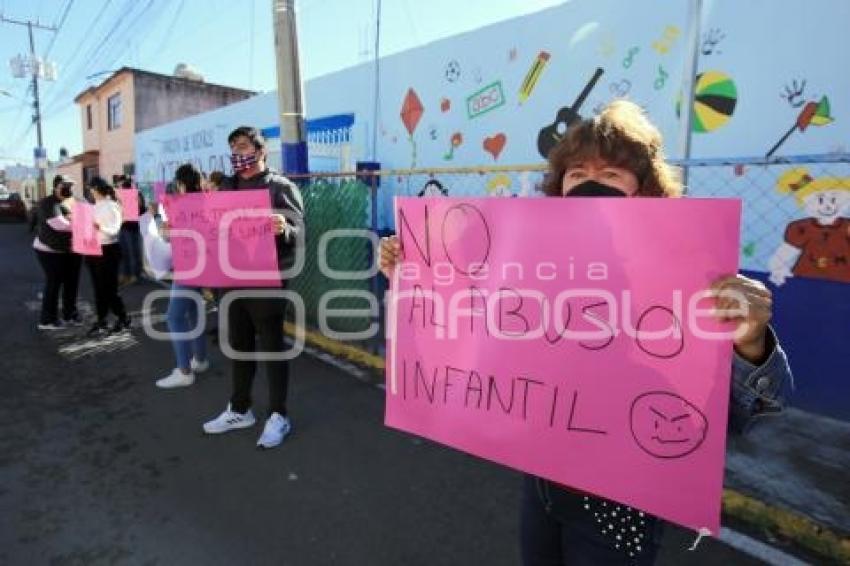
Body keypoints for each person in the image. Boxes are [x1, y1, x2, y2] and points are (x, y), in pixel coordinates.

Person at [378, 100, 793, 565]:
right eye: (577, 173)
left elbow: (755, 410)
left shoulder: (689, 280)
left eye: (612, 175)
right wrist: (416, 275)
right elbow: (474, 320)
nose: (591, 185)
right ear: (559, 187)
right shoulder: (530, 268)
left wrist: (750, 341)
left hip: (622, 498)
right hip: (542, 482)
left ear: (646, 191)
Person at [201, 126, 305, 450]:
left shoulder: (280, 187)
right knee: (239, 346)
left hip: (266, 283)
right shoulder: (225, 187)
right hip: (232, 282)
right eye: (233, 147)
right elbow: (209, 225)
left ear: (261, 151)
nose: (237, 153)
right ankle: (240, 408)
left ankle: (278, 415)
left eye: (243, 146)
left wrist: (284, 228)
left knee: (273, 348)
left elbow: (300, 235)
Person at [140, 164, 212, 389]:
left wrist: (157, 218)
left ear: (181, 183)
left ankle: (184, 370)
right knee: (193, 312)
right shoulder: (207, 201)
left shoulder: (182, 205)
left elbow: (170, 236)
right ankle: (199, 360)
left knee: (174, 317)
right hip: (204, 264)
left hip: (187, 265)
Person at [32, 174, 83, 330]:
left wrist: (75, 216)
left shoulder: (73, 201)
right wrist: (76, 220)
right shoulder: (47, 203)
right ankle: (47, 320)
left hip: (71, 249)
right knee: (54, 283)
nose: (68, 189)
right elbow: (59, 224)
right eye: (64, 186)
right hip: (49, 251)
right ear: (55, 187)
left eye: (70, 186)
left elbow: (86, 213)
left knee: (71, 283)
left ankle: (70, 313)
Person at [85, 177, 131, 336]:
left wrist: (99, 227)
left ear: (97, 189)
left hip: (108, 251)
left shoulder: (112, 206)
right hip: (93, 250)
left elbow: (114, 230)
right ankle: (101, 319)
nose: (90, 191)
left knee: (109, 288)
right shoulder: (93, 206)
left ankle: (123, 317)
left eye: (91, 188)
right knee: (98, 288)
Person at [117, 176, 145, 286]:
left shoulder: (136, 194)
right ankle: (125, 275)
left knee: (133, 252)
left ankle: (134, 275)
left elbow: (142, 209)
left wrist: (135, 201)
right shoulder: (119, 195)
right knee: (123, 253)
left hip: (132, 228)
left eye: (121, 183)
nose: (119, 186)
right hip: (122, 227)